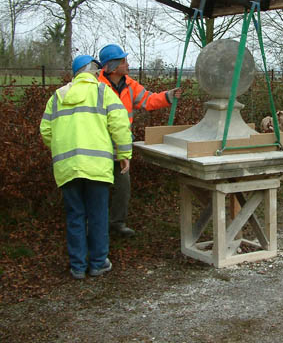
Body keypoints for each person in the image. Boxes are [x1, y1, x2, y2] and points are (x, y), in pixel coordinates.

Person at [40, 55, 132, 279]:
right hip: (97, 167)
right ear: (91, 70)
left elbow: (46, 131)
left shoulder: (58, 96)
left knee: (75, 216)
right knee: (98, 215)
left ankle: (78, 266)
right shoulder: (103, 92)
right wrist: (124, 154)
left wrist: (64, 151)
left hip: (67, 168)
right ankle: (98, 263)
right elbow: (119, 125)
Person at [97, 44, 182, 237]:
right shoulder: (97, 86)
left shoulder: (130, 85)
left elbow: (148, 100)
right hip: (99, 146)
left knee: (122, 186)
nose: (128, 64)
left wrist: (168, 96)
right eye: (124, 61)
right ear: (112, 66)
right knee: (98, 189)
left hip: (120, 147)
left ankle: (116, 224)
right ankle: (96, 226)